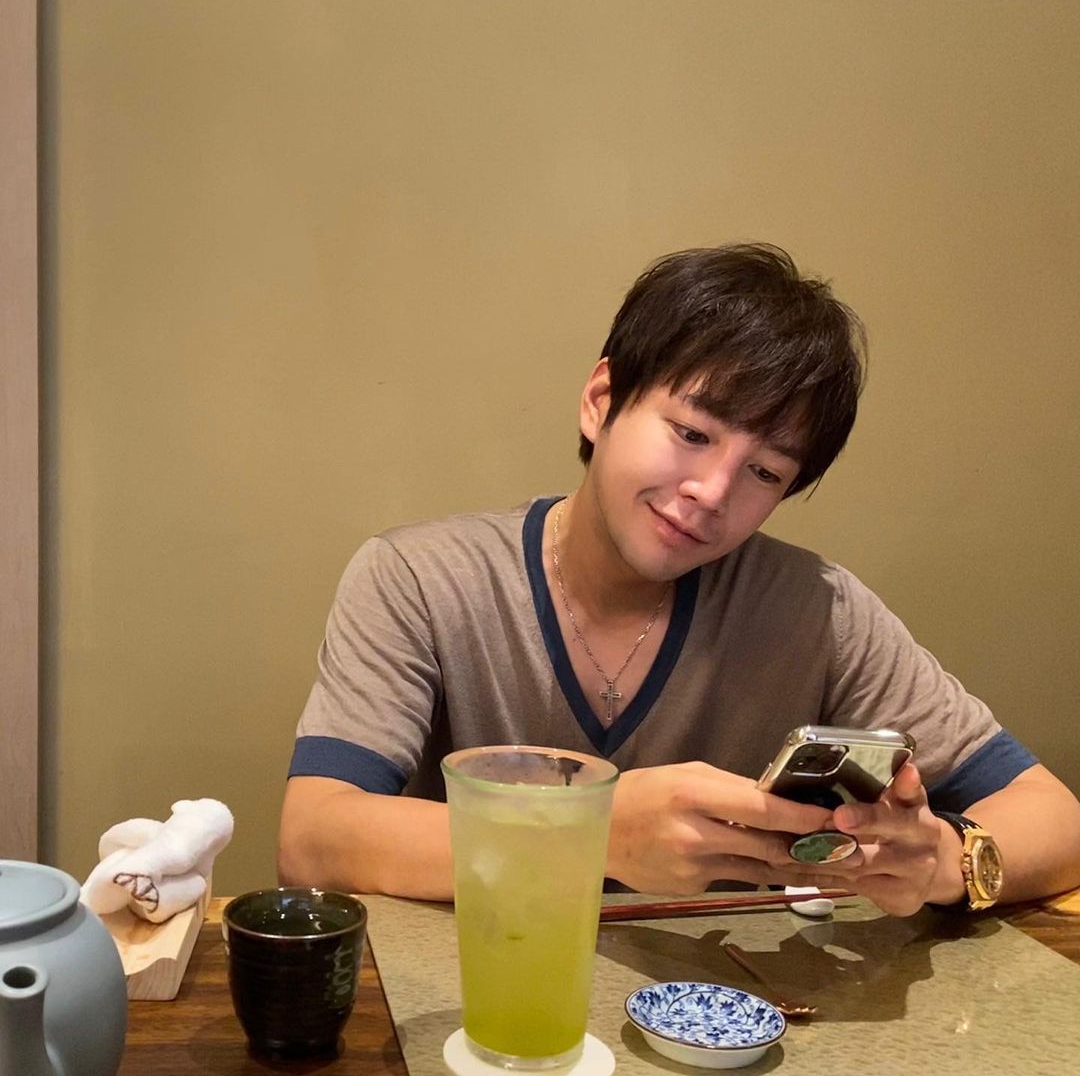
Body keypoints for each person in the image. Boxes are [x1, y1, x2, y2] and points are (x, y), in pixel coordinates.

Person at [278, 244, 1080, 916]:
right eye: (692, 432)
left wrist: (943, 860)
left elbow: (1054, 818)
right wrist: (590, 834)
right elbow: (312, 838)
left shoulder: (818, 611)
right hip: (484, 995)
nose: (713, 491)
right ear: (601, 402)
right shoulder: (420, 580)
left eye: (764, 471)